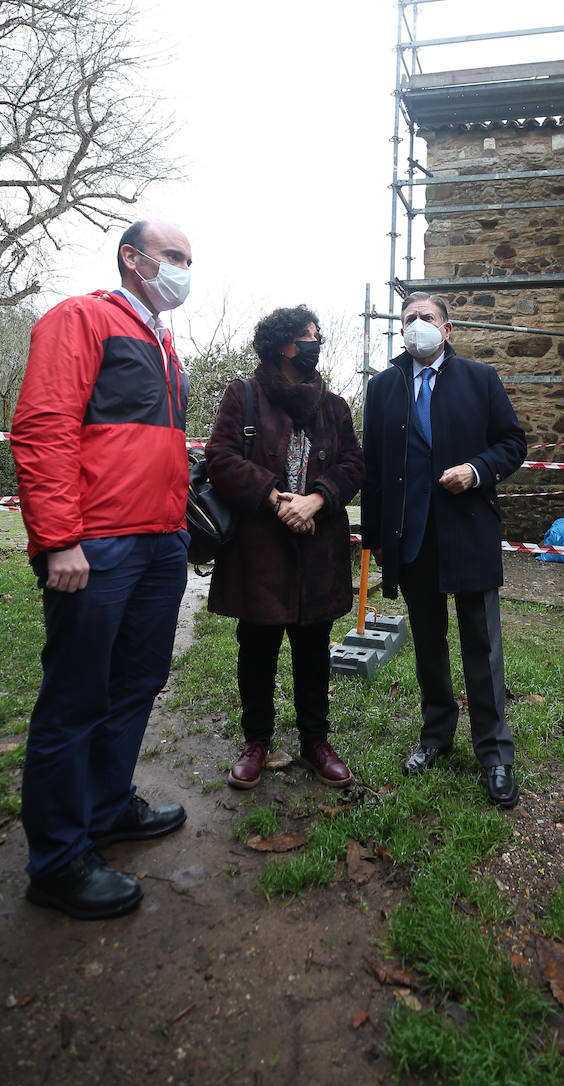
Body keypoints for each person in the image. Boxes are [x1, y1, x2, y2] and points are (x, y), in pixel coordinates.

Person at [11, 220, 194, 920]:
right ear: (132, 257)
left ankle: (107, 806)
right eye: (173, 256)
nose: (182, 268)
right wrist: (59, 539)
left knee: (137, 682)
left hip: (159, 543)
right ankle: (57, 860)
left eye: (188, 259)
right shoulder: (80, 317)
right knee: (76, 697)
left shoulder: (164, 344)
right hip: (98, 545)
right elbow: (45, 426)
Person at [361, 293, 527, 808]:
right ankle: (435, 736)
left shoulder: (480, 379)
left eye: (426, 318)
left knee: (481, 644)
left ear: (447, 329)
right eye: (407, 318)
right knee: (429, 645)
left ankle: (495, 753)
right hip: (411, 540)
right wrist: (375, 537)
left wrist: (476, 470)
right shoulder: (384, 387)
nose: (415, 325)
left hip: (468, 531)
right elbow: (372, 468)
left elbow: (512, 443)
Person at [205, 306, 363, 790]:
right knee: (256, 647)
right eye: (307, 337)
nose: (316, 343)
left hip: (318, 554)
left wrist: (317, 499)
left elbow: (355, 464)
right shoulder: (244, 395)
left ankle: (316, 741)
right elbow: (220, 458)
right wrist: (275, 498)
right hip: (260, 553)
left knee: (314, 649)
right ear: (282, 345)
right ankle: (256, 741)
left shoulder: (333, 406)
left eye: (317, 335)